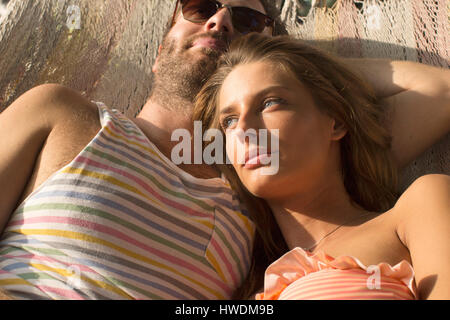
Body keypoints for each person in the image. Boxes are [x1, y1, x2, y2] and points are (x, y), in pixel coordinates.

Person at [0, 0, 448, 299]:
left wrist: (282, 66)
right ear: (158, 50)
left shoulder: (267, 182)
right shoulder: (60, 113)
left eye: (248, 23)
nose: (221, 21)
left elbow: (439, 92)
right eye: (198, 7)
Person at [194, 32, 450, 300]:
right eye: (230, 121)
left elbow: (442, 89)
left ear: (336, 122)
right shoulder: (242, 289)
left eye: (270, 102)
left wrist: (317, 69)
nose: (244, 129)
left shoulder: (414, 211)